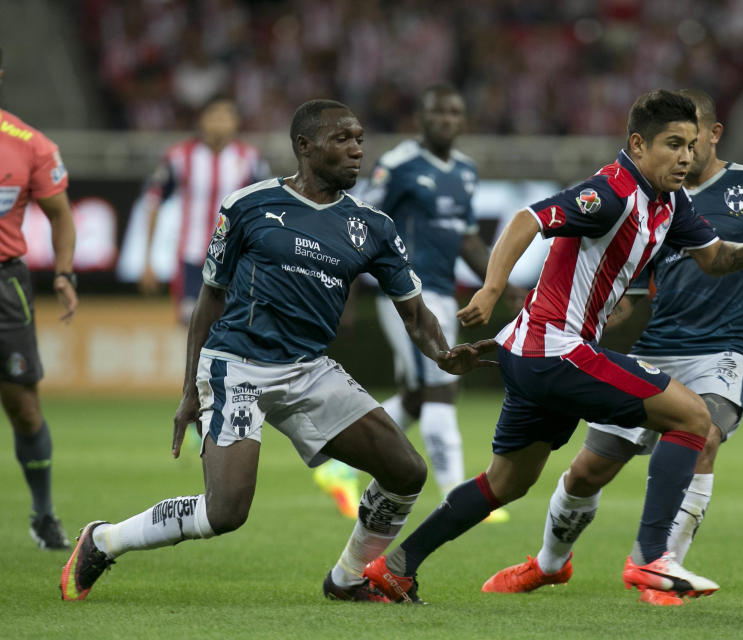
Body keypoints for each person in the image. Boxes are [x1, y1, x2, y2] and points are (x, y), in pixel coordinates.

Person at [362, 90, 743, 604]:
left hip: (534, 353)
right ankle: (651, 559)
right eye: (673, 144)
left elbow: (715, 259)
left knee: (505, 482)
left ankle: (395, 567)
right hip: (555, 350)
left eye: (691, 145)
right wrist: (490, 289)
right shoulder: (612, 192)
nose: (686, 157)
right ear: (638, 144)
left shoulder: (670, 201)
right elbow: (527, 219)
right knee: (692, 417)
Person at [60, 99, 493, 602]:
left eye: (359, 139)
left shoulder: (373, 226)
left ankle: (349, 577)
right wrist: (188, 392)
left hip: (309, 369)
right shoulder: (249, 205)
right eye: (343, 139)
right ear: (304, 148)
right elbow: (210, 299)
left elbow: (415, 313)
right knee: (226, 513)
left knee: (406, 472)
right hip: (236, 367)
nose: (357, 150)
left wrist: (443, 354)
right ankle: (104, 539)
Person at [313, 84, 517, 521]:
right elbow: (358, 225)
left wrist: (500, 283)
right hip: (405, 295)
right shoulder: (399, 165)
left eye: (454, 112)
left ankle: (336, 466)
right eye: (437, 112)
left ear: (463, 121)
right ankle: (459, 496)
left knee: (420, 395)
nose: (446, 119)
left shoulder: (465, 170)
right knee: (444, 385)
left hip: (443, 292)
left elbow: (467, 239)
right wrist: (342, 292)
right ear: (421, 119)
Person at [0, 47, 79, 550]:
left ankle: (43, 513)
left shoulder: (28, 144)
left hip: (4, 287)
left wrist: (65, 274)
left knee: (25, 408)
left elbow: (61, 217)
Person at [138, 95, 270, 325]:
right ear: (202, 120)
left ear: (236, 122)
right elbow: (153, 201)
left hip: (234, 258)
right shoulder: (179, 156)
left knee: (232, 325)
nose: (220, 122)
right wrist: (147, 261)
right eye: (214, 115)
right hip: (191, 258)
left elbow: (264, 208)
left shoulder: (250, 158)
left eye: (226, 115)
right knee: (191, 325)